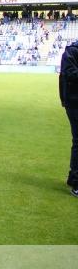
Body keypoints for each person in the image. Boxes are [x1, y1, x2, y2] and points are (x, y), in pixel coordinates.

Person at [59, 41, 78, 197]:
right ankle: (76, 182)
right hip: (74, 101)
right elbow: (70, 74)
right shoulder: (71, 52)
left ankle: (73, 178)